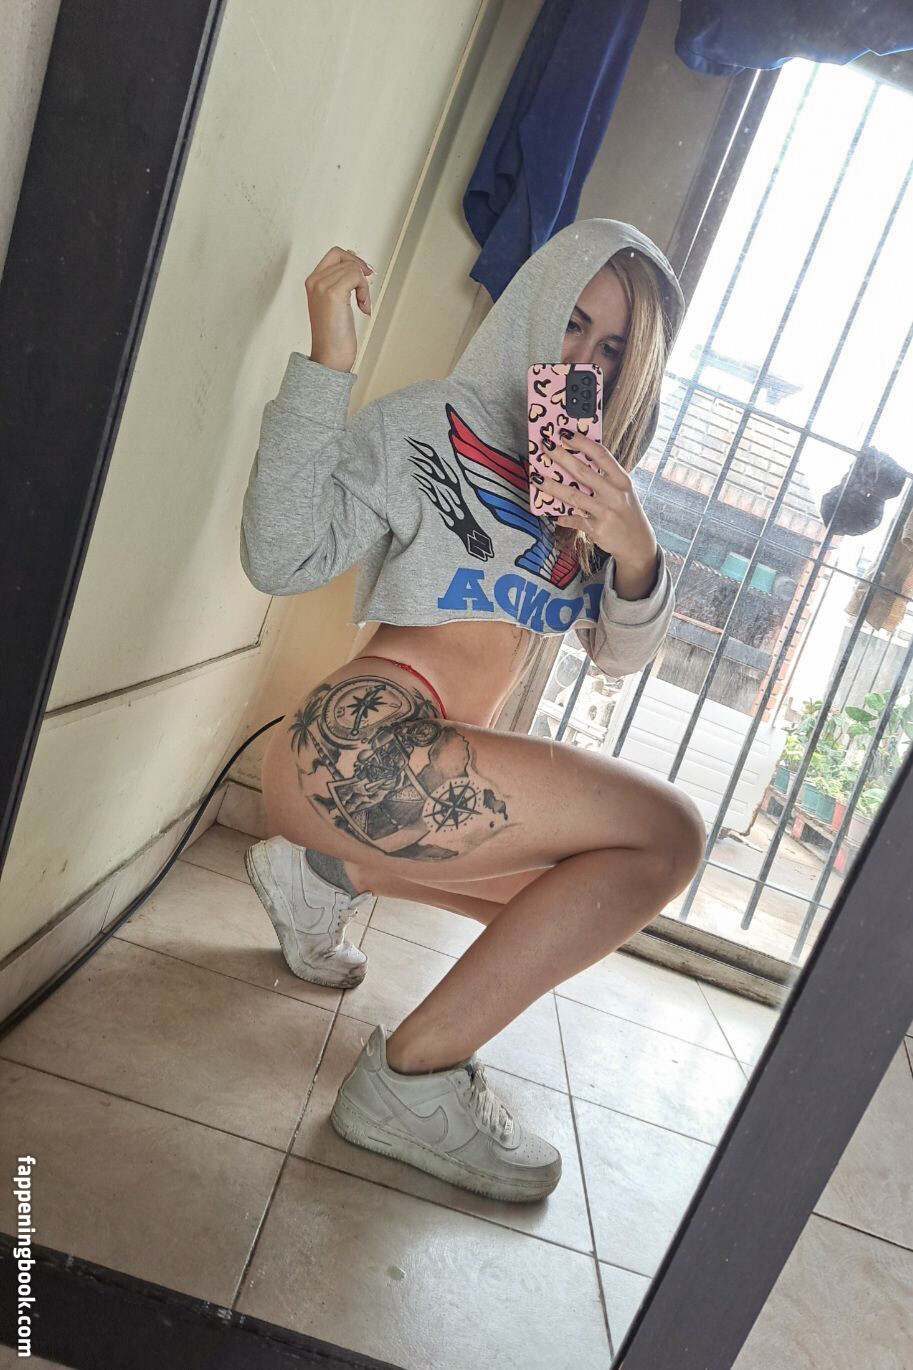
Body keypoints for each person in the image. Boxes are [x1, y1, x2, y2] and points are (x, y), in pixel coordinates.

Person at [238, 219, 705, 1204]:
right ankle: (414, 1075)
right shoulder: (428, 422)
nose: (581, 358)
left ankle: (322, 873)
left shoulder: (591, 492)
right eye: (571, 322)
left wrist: (634, 545)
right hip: (365, 738)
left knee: (583, 897)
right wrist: (326, 367)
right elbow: (282, 556)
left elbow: (618, 655)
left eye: (613, 346)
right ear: (534, 304)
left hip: (416, 777)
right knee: (668, 837)